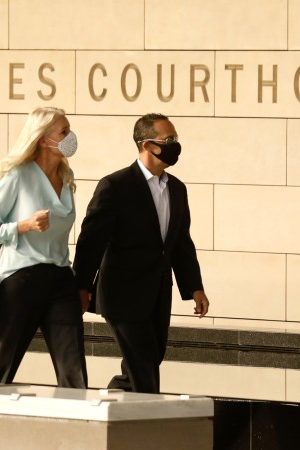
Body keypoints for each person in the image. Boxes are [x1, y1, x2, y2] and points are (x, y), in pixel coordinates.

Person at [73, 113, 210, 394]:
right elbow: (91, 240)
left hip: (158, 292)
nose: (175, 145)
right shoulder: (115, 185)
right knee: (144, 361)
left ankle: (113, 399)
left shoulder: (177, 189)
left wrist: (194, 287)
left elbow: (181, 243)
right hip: (121, 293)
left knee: (151, 357)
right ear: (147, 145)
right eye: (168, 139)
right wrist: (82, 286)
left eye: (176, 139)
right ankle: (151, 424)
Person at [0, 106, 87, 388]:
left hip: (62, 278)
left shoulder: (66, 177)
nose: (70, 137)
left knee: (73, 370)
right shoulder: (17, 176)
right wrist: (24, 226)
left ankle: (81, 428)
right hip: (23, 279)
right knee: (2, 366)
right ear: (42, 139)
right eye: (64, 132)